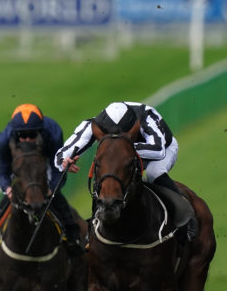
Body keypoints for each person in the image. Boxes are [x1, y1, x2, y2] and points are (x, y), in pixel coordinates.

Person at [55, 100, 195, 239]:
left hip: (162, 150)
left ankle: (185, 218)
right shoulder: (94, 124)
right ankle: (93, 226)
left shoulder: (145, 117)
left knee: (154, 173)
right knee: (105, 174)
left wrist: (121, 151)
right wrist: (64, 161)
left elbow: (158, 150)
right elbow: (62, 153)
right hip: (124, 158)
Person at [0, 104, 83, 260]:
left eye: (32, 135)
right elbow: (1, 170)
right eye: (22, 135)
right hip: (19, 170)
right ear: (15, 134)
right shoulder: (4, 139)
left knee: (58, 201)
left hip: (44, 165)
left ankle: (72, 235)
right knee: (3, 206)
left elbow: (58, 167)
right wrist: (7, 189)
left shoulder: (53, 132)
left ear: (40, 131)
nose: (27, 139)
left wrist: (51, 189)